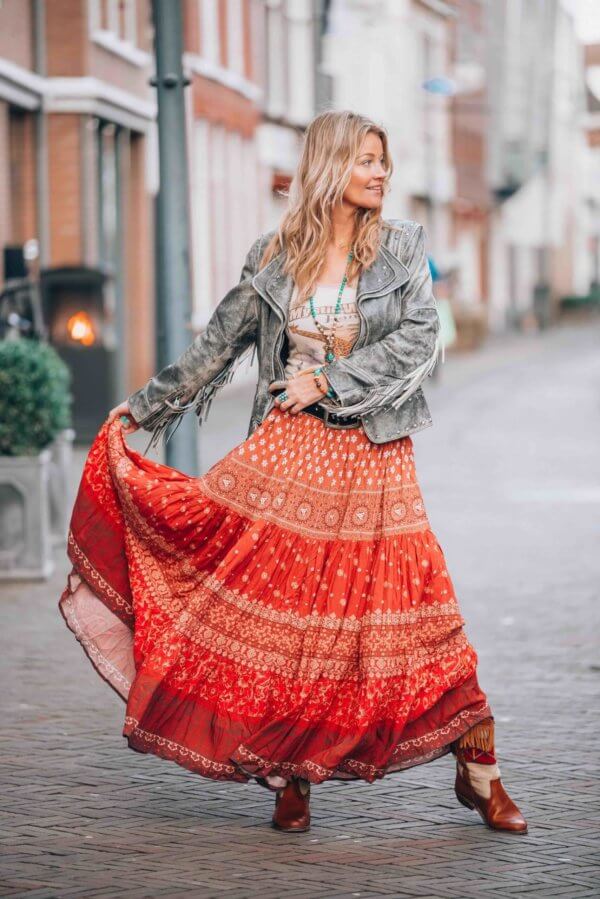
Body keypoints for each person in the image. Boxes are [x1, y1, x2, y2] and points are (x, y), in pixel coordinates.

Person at [59, 110, 527, 836]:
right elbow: (217, 344)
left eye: (384, 161)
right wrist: (141, 410)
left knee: (423, 615)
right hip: (287, 459)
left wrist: (328, 380)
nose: (380, 172)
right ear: (330, 166)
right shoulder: (275, 257)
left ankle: (479, 768)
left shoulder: (402, 249)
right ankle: (289, 774)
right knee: (289, 626)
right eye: (367, 160)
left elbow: (420, 339)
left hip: (373, 457)